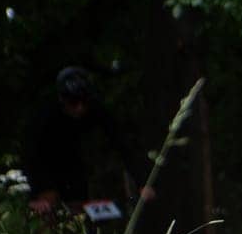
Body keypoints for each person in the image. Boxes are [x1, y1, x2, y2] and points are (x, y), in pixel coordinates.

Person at [23, 66, 156, 219]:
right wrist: (36, 195)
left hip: (73, 166)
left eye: (83, 102)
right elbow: (31, 155)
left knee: (77, 212)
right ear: (62, 99)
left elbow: (122, 143)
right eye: (73, 103)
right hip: (46, 166)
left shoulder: (95, 109)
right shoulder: (44, 118)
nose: (79, 108)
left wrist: (142, 182)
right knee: (48, 208)